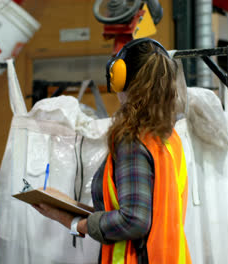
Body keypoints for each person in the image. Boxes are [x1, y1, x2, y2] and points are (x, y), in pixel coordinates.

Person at [33, 38, 191, 264]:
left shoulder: (133, 140)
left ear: (121, 78)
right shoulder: (169, 139)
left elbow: (134, 220)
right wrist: (71, 207)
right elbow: (148, 211)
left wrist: (74, 223)